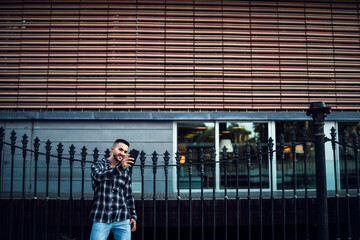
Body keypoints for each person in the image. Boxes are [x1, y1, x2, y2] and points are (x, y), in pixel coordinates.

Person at [89, 139, 137, 240]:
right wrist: (120, 168)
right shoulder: (98, 165)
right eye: (120, 149)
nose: (122, 153)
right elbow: (99, 176)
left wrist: (133, 215)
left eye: (125, 152)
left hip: (123, 218)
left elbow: (129, 195)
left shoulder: (125, 171)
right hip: (101, 217)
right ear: (112, 149)